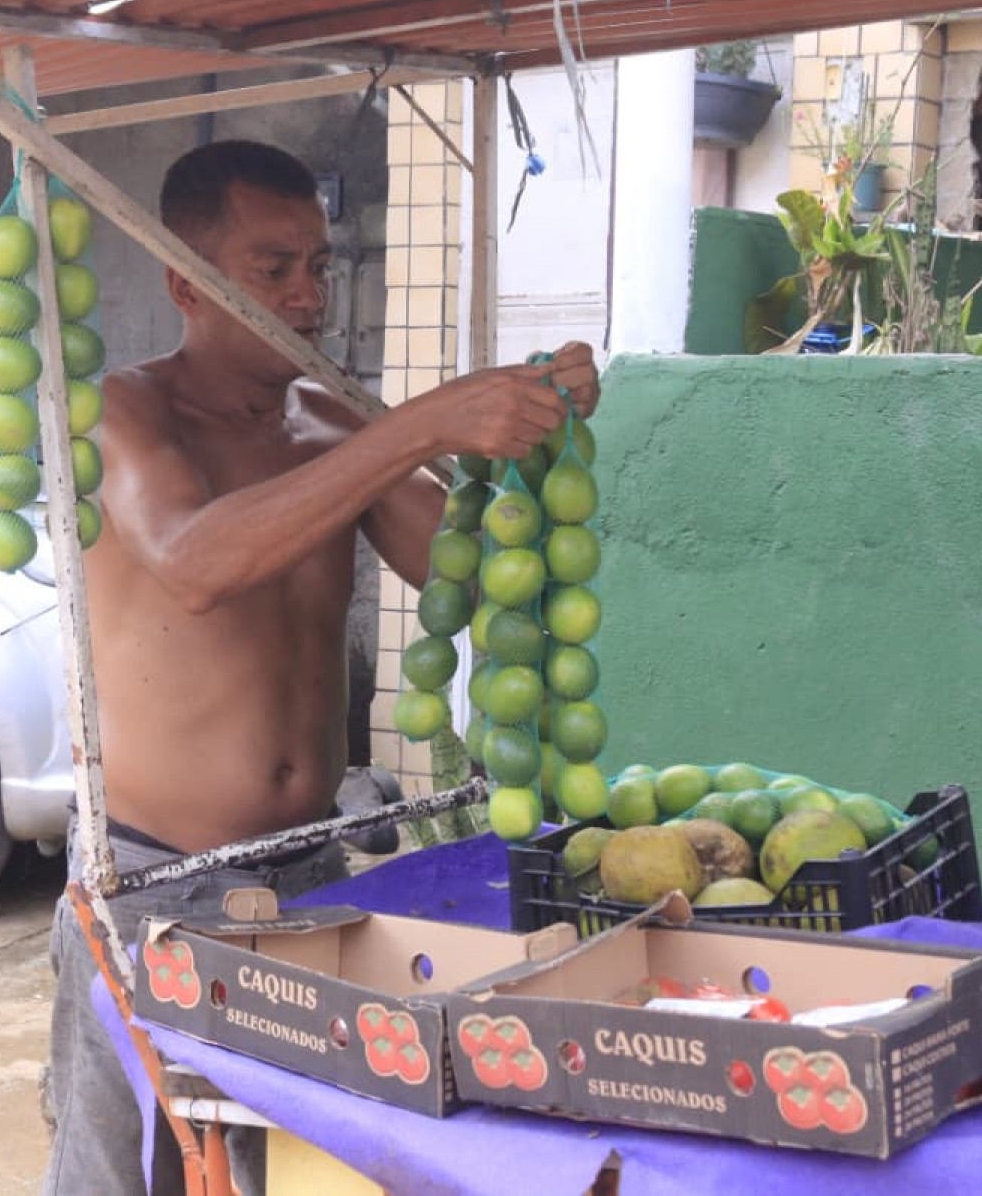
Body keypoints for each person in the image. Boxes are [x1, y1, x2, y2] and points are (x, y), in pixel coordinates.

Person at [42, 139, 599, 1195]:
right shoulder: (122, 413)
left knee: (283, 1166)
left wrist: (535, 436)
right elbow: (196, 562)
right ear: (185, 281)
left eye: (319, 266)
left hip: (308, 872)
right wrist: (421, 424)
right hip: (155, 879)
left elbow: (456, 574)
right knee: (127, 1174)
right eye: (273, 269)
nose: (308, 296)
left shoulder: (330, 419)